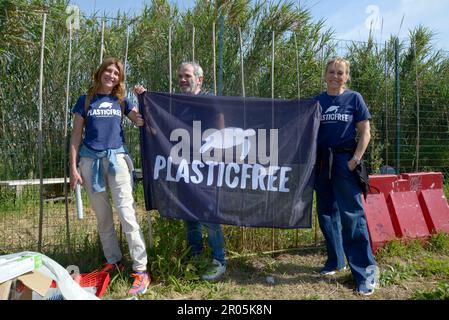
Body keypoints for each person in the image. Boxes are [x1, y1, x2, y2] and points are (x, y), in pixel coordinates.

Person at [133, 61, 226, 281]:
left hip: (206, 169)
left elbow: (221, 126)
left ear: (199, 79)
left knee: (210, 216)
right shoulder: (175, 104)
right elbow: (162, 128)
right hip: (183, 169)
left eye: (187, 75)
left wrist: (216, 153)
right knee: (189, 217)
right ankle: (195, 257)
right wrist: (144, 100)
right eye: (180, 76)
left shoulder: (209, 101)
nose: (182, 79)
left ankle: (219, 260)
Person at [70, 57, 150, 296]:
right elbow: (75, 136)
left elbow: (138, 120)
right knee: (104, 219)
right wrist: (73, 168)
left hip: (117, 161)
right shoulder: (84, 101)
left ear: (119, 79)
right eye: (108, 71)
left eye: (116, 73)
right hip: (89, 162)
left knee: (127, 214)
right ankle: (114, 262)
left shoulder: (121, 101)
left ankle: (141, 271)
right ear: (100, 73)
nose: (112, 75)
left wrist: (142, 100)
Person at [314, 57, 377, 296]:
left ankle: (365, 272)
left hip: (344, 162)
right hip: (322, 163)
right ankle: (335, 261)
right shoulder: (317, 101)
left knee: (352, 215)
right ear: (325, 74)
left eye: (340, 72)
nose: (335, 76)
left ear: (346, 76)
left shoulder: (354, 98)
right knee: (326, 213)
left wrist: (355, 160)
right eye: (331, 71)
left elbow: (365, 132)